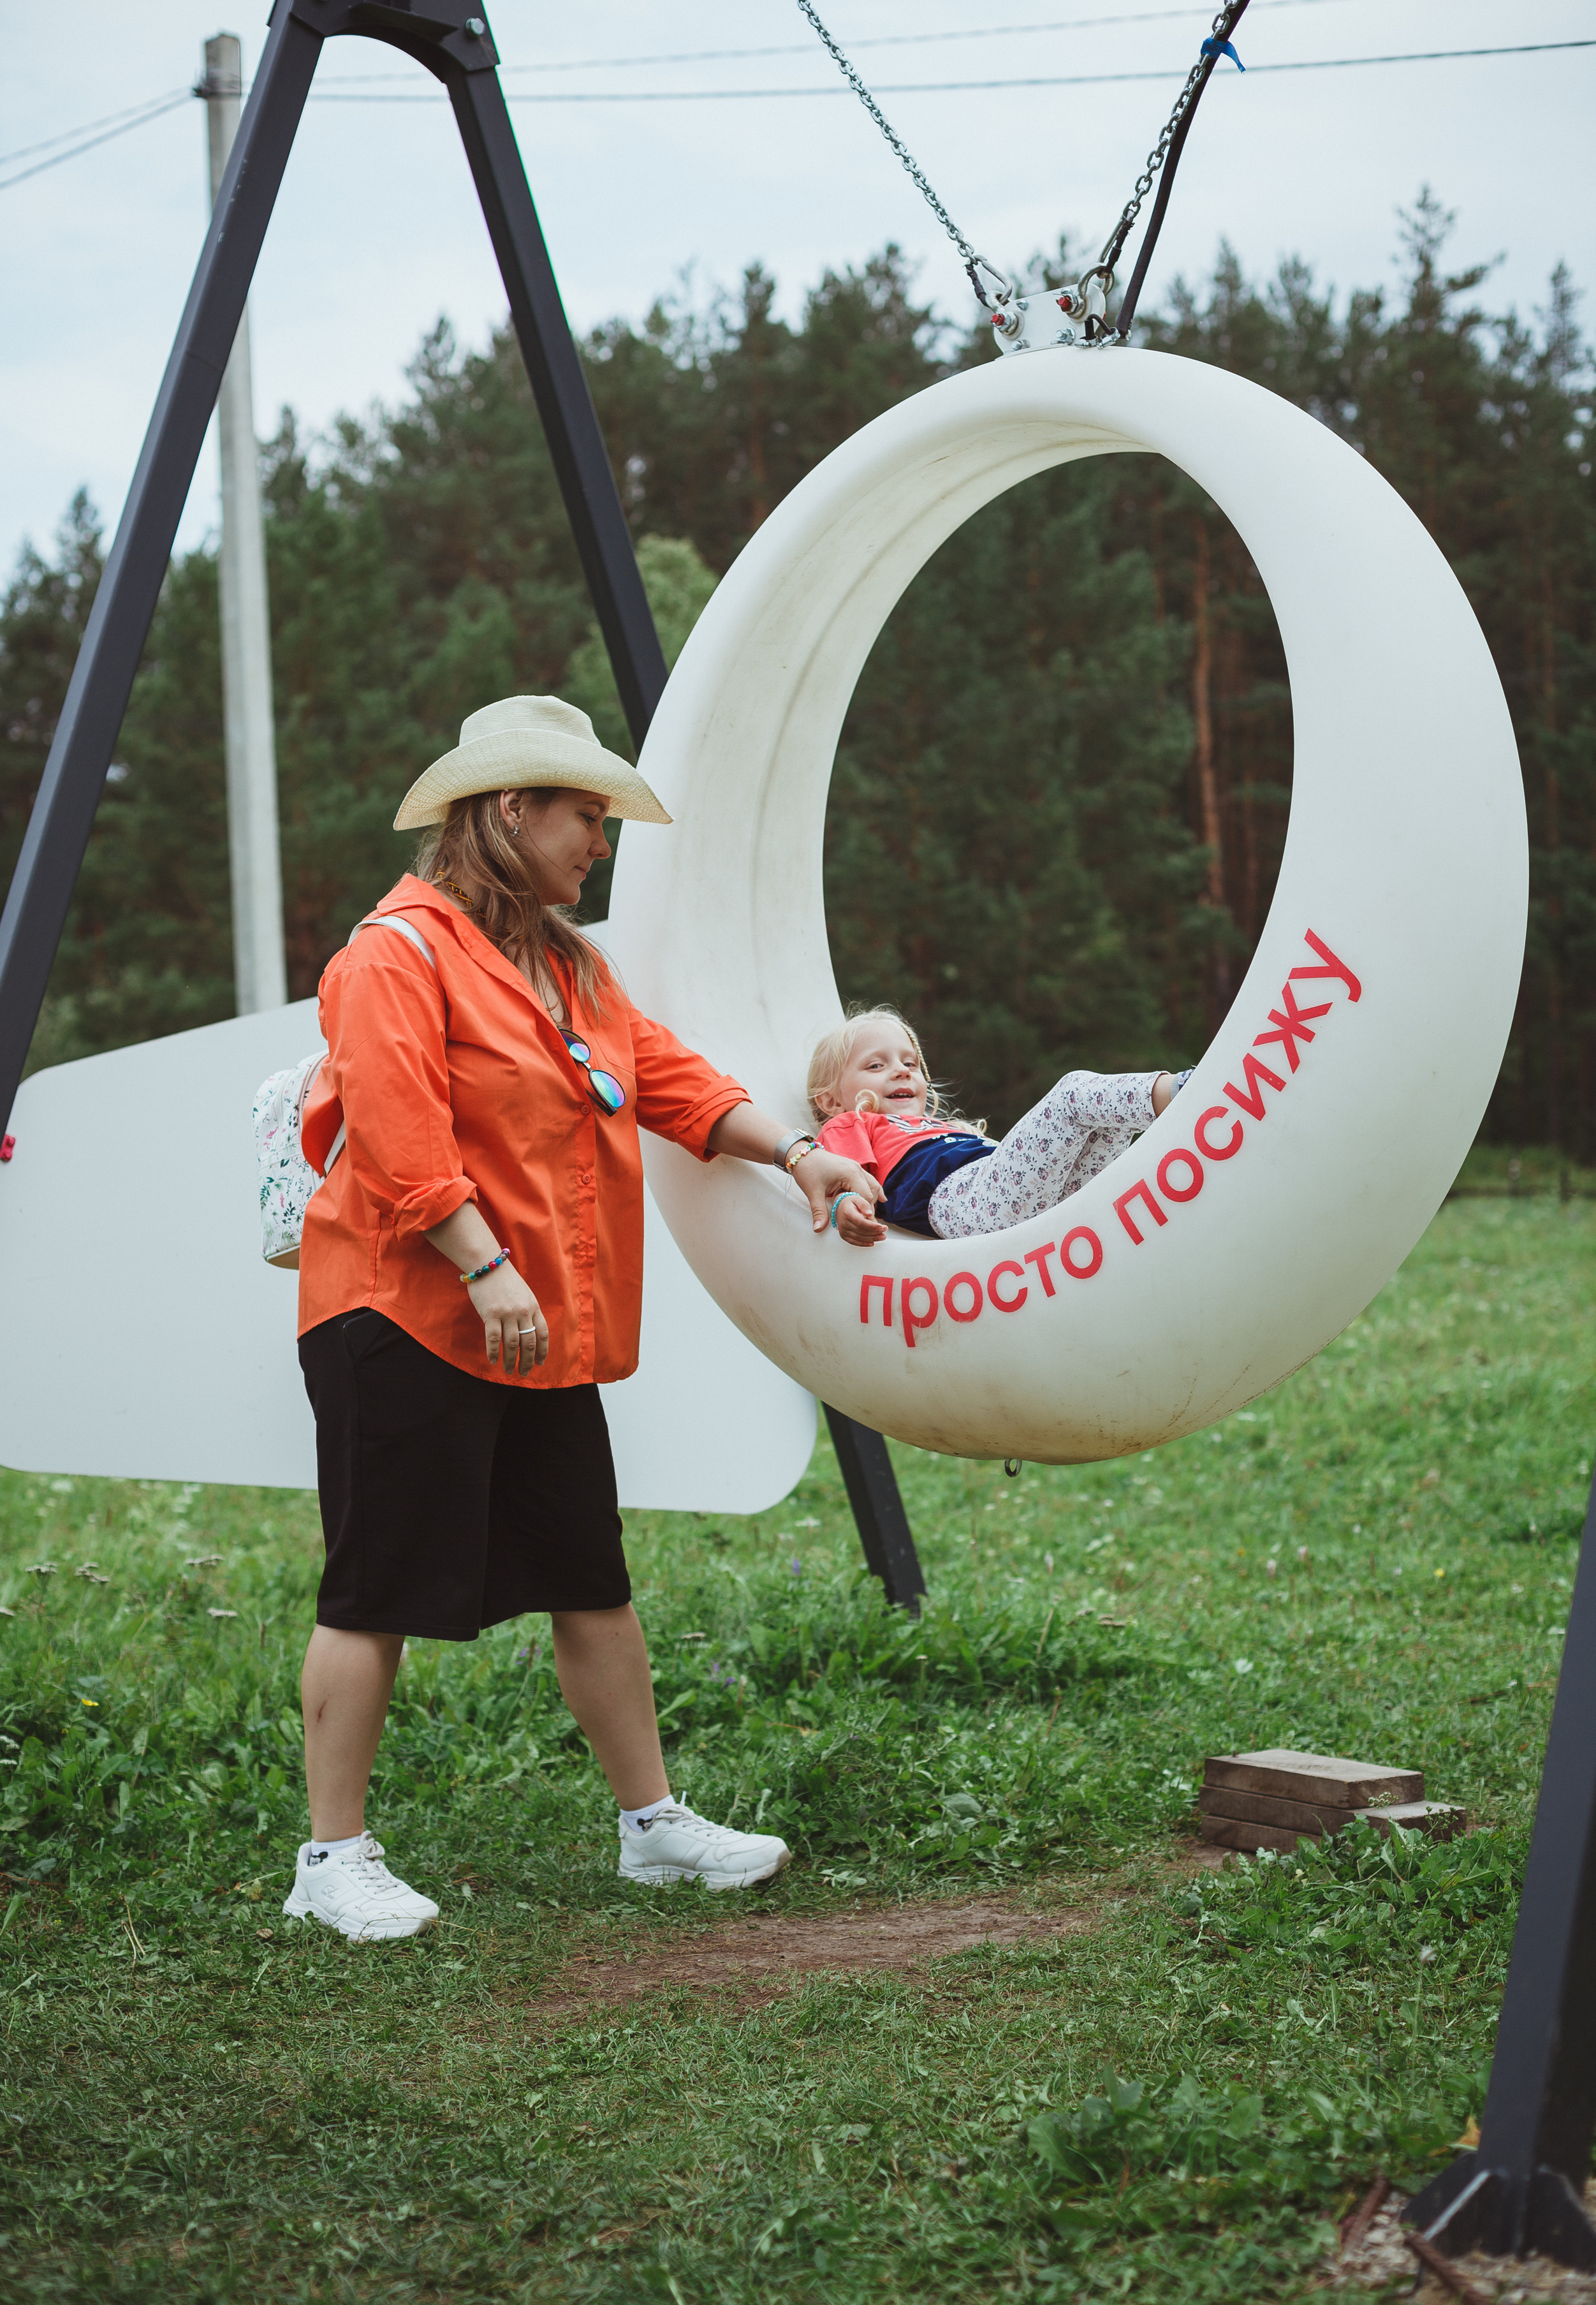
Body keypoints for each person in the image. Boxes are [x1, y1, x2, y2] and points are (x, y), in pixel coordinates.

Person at [282, 695, 879, 1944]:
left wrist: (801, 1154)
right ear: (511, 810)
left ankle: (651, 1829)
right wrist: (487, 1262)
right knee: (372, 1588)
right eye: (583, 817)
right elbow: (394, 1133)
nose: (596, 842)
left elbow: (662, 1077)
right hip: (403, 1313)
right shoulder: (394, 951)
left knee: (588, 1578)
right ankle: (330, 1859)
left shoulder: (567, 965)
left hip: (527, 1327)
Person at [807, 1007, 1192, 1246]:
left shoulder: (946, 1128)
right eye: (876, 1066)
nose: (901, 1071)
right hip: (965, 1202)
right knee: (1074, 1094)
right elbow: (844, 1176)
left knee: (1108, 1123)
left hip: (1032, 1198)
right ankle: (1188, 1093)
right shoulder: (850, 1122)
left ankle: (1177, 1139)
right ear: (830, 1100)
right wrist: (844, 1204)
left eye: (910, 1063)